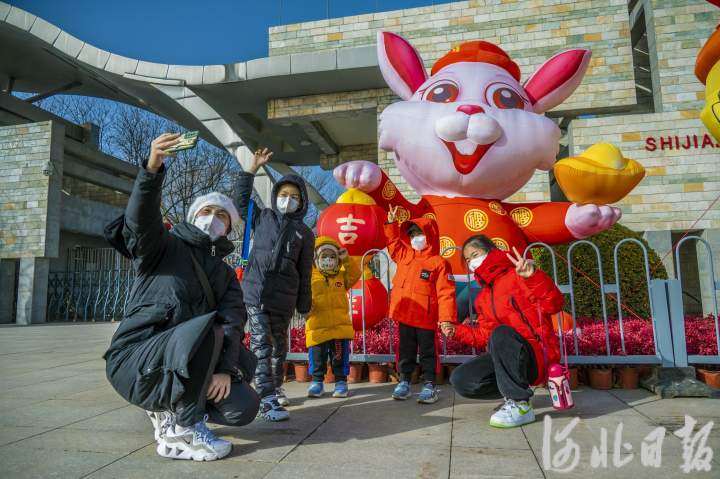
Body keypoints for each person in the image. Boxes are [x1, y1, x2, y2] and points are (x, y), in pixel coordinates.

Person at [103, 133, 260, 462]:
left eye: (222, 215)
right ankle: (182, 428)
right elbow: (139, 220)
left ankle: (167, 410)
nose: (213, 218)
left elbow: (233, 322)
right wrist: (152, 168)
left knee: (243, 406)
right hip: (137, 360)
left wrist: (225, 371)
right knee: (205, 328)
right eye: (208, 210)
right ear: (193, 214)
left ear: (228, 227)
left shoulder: (224, 274)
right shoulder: (162, 247)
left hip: (184, 360)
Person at [443, 235, 564, 428]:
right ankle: (515, 391)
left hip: (536, 354)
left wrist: (533, 277)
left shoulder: (519, 275)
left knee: (502, 333)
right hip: (508, 357)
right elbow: (485, 336)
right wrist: (456, 331)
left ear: (491, 251)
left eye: (475, 254)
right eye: (467, 259)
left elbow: (554, 304)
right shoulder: (483, 296)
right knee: (462, 380)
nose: (472, 262)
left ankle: (520, 404)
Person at [233, 148, 314, 421]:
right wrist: (251, 169)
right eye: (283, 194)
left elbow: (304, 271)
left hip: (284, 299)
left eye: (293, 196)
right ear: (275, 195)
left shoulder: (304, 233)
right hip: (255, 293)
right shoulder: (262, 217)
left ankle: (276, 386)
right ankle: (266, 399)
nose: (287, 200)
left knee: (280, 347)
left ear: (301, 202)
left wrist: (304, 303)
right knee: (260, 345)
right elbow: (240, 200)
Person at [385, 207, 457, 404]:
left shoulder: (439, 262)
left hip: (425, 316)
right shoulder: (404, 255)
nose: (416, 237)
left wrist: (446, 319)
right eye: (413, 234)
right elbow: (392, 243)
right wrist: (391, 224)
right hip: (404, 313)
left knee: (428, 351)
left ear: (430, 235)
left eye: (420, 233)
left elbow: (446, 293)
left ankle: (430, 384)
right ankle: (405, 381)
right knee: (405, 350)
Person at [305, 236, 362, 398]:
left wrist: (346, 260)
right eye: (324, 256)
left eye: (332, 256)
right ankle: (317, 382)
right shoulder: (311, 276)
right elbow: (301, 294)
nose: (328, 260)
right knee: (317, 357)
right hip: (317, 326)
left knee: (339, 357)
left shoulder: (341, 275)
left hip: (339, 327)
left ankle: (341, 382)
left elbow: (355, 275)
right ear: (316, 258)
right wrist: (304, 309)